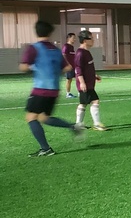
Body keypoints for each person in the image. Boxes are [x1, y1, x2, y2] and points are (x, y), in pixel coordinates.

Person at [19, 20, 84, 157]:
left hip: (40, 89)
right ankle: (73, 126)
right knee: (44, 117)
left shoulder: (34, 48)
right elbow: (67, 67)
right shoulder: (56, 50)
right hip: (54, 90)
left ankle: (46, 148)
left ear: (36, 31)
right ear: (50, 33)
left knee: (31, 117)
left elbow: (23, 67)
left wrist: (35, 68)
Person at [75, 30, 108, 131]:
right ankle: (96, 124)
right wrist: (82, 83)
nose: (93, 40)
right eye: (91, 38)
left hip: (89, 83)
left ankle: (79, 124)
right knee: (95, 101)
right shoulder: (80, 53)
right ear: (85, 40)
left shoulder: (86, 52)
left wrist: (94, 76)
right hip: (85, 84)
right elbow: (78, 69)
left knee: (84, 103)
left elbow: (87, 68)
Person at [62, 32, 77, 98]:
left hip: (73, 66)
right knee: (69, 79)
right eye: (73, 38)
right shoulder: (66, 46)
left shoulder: (72, 47)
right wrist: (67, 64)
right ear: (69, 38)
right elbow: (63, 55)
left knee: (77, 78)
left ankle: (80, 92)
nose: (74, 39)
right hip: (69, 66)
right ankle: (68, 94)